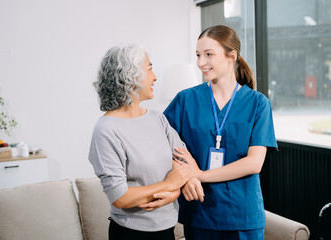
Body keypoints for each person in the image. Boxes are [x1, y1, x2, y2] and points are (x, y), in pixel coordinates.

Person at [164, 25, 278, 240]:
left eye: (209, 55)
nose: (200, 63)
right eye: (198, 55)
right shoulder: (185, 100)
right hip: (199, 212)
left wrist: (200, 174)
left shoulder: (258, 104)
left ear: (231, 56)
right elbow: (163, 145)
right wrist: (186, 178)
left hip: (243, 216)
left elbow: (254, 163)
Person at [89, 44, 196, 240]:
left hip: (167, 231)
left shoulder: (158, 119)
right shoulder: (106, 129)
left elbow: (185, 161)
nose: (155, 76)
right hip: (131, 234)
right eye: (149, 68)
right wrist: (169, 183)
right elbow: (120, 197)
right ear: (130, 75)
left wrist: (172, 194)